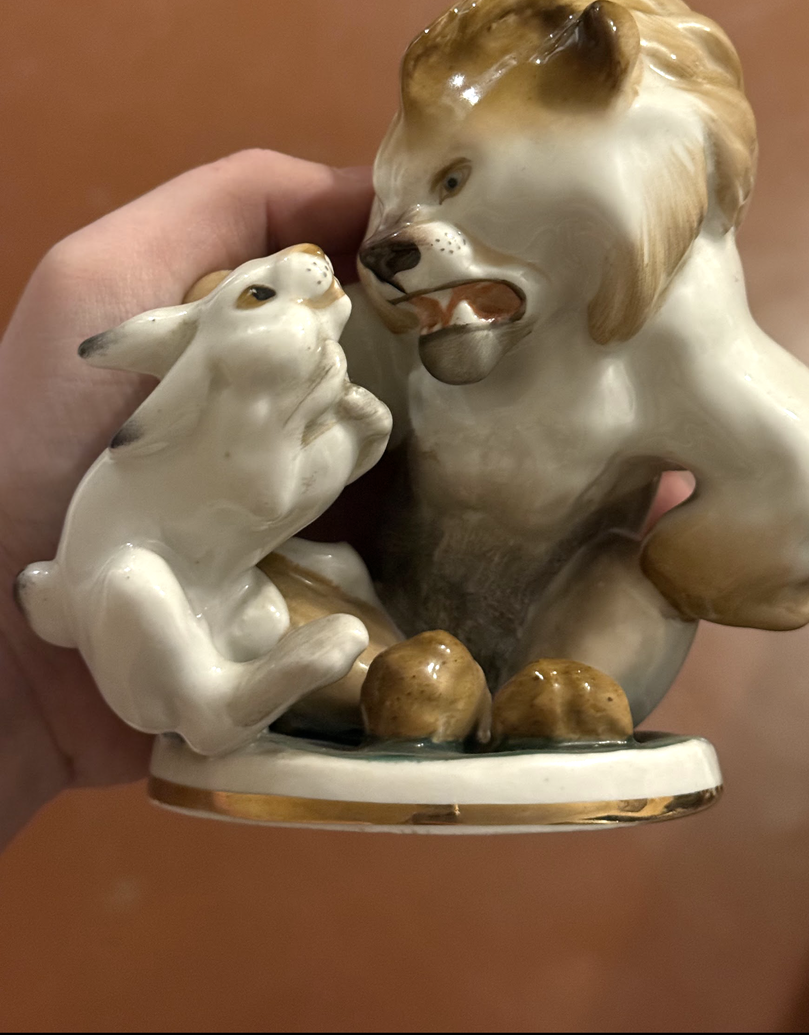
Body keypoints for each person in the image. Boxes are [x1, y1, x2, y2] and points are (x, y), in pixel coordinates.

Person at [0, 148, 691, 853]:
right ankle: (217, 702)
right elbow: (279, 492)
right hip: (158, 604)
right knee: (136, 577)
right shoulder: (234, 427)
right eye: (261, 297)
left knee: (336, 569)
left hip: (222, 591)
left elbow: (324, 469)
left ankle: (432, 688)